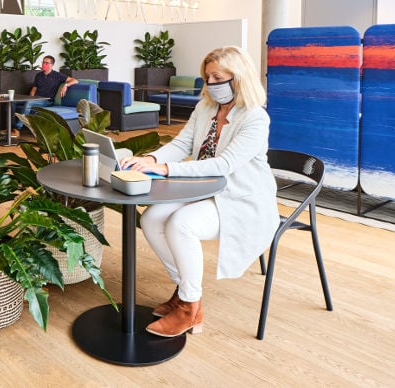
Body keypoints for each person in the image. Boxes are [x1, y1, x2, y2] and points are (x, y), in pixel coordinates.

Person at [119, 46, 279, 338]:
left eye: (218, 77)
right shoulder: (205, 107)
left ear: (239, 77)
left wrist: (167, 170)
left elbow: (224, 165)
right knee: (152, 219)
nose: (211, 84)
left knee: (182, 224)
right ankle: (185, 292)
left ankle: (190, 308)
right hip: (203, 189)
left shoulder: (255, 118)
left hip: (241, 197)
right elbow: (182, 144)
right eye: (208, 77)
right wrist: (153, 160)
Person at [15, 55, 78, 129]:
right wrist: (31, 98)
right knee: (13, 102)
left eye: (46, 63)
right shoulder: (38, 75)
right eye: (43, 62)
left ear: (52, 65)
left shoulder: (57, 75)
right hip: (36, 99)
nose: (44, 64)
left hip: (47, 100)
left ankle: (18, 128)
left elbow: (75, 81)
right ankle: (12, 126)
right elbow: (34, 89)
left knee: (29, 103)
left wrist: (66, 85)